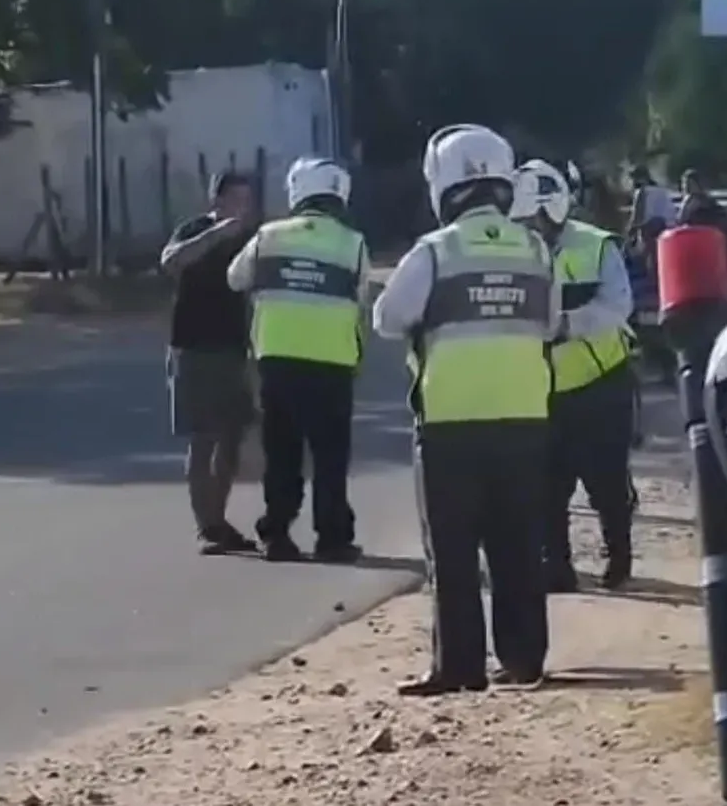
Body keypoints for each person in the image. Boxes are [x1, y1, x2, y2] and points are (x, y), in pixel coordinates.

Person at [374, 125, 555, 695]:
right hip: (525, 417)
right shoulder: (535, 249)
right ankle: (524, 659)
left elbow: (387, 318)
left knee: (452, 553)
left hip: (451, 421)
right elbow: (550, 324)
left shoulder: (436, 250)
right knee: (518, 545)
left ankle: (460, 667)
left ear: (445, 186)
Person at [227, 157, 370, 563]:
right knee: (330, 456)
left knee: (282, 452)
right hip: (333, 363)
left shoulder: (268, 237)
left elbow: (235, 279)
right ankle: (333, 539)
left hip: (277, 360)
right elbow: (362, 298)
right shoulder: (353, 243)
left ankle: (277, 534)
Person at [511, 159, 636, 591]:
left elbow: (618, 306)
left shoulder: (597, 246)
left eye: (534, 219)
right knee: (547, 485)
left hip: (601, 384)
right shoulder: (513, 252)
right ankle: (556, 566)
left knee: (607, 483)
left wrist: (566, 325)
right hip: (540, 389)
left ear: (554, 208)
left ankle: (618, 555)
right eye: (521, 220)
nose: (530, 228)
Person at [159, 170, 258, 556]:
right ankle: (207, 527)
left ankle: (219, 519)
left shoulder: (252, 240)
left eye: (246, 201)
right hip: (193, 347)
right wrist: (216, 234)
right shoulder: (195, 230)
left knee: (233, 435)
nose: (241, 209)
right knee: (203, 438)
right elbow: (170, 262)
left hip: (234, 348)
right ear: (216, 200)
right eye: (234, 200)